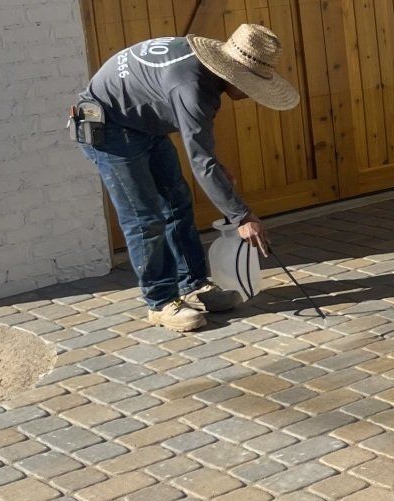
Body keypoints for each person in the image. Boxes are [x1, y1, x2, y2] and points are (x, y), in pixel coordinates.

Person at [71, 24, 298, 331]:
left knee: (176, 202)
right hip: (108, 127)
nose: (249, 95)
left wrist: (215, 168)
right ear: (232, 72)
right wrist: (242, 217)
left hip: (142, 123)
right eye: (249, 86)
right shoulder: (192, 87)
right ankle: (161, 302)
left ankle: (193, 284)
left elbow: (200, 148)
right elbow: (201, 162)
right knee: (145, 218)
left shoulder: (203, 74)